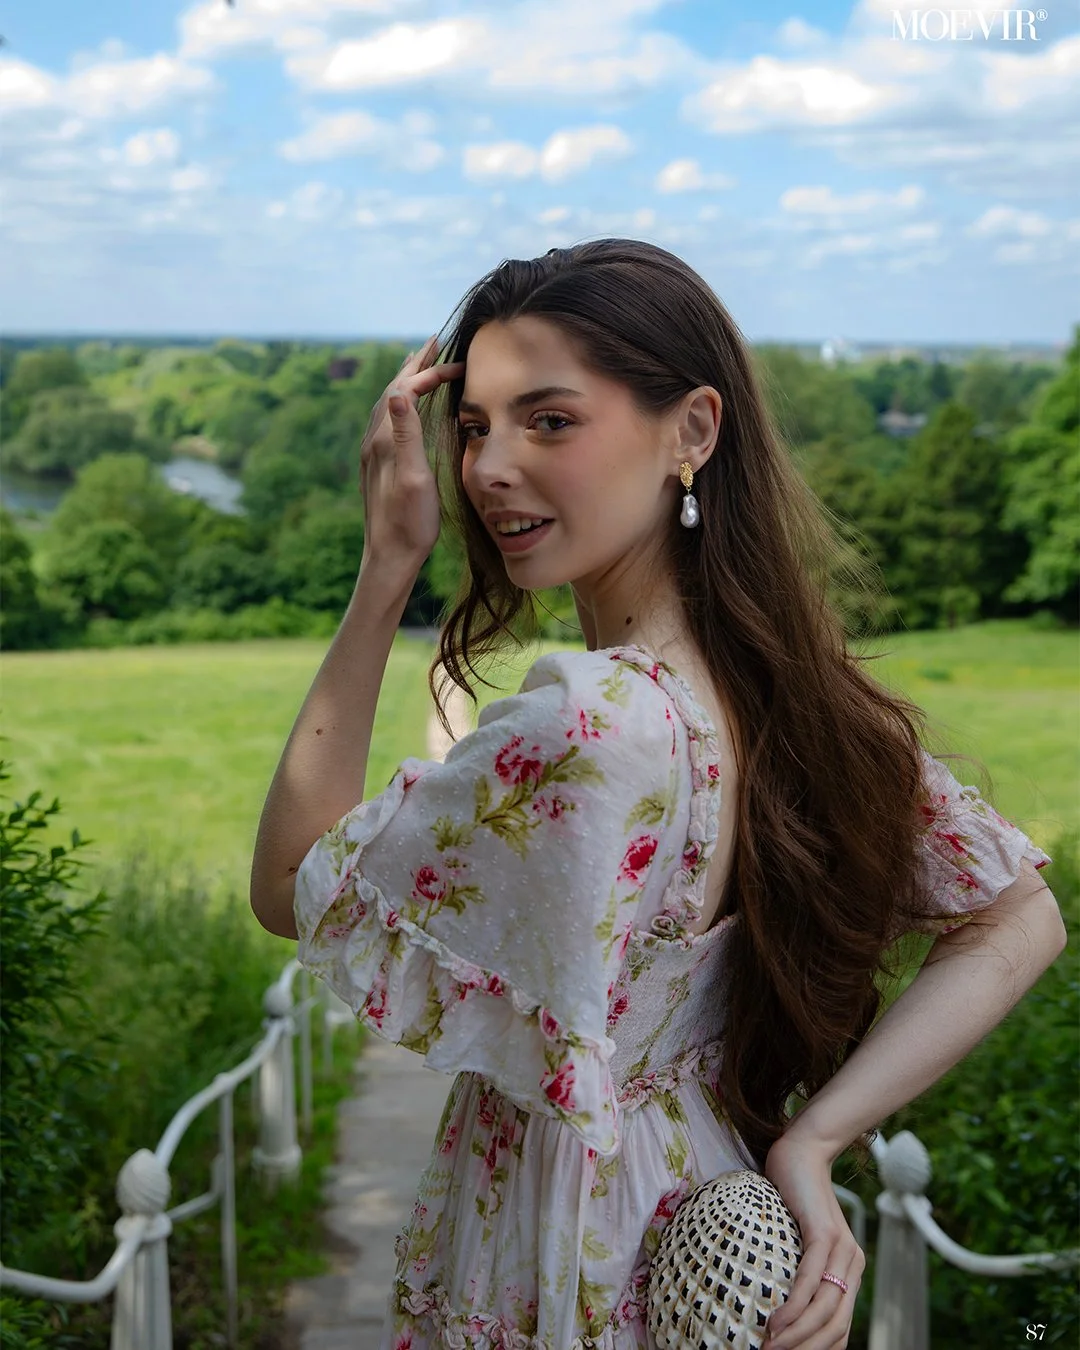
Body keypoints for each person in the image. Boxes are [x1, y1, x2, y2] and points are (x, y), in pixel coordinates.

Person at [250, 239, 1066, 1350]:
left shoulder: (591, 721)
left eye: (550, 420)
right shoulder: (778, 683)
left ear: (692, 431)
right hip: (705, 1218)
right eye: (475, 426)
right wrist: (812, 1143)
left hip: (569, 1251)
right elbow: (1023, 913)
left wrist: (386, 564)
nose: (488, 468)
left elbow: (292, 879)